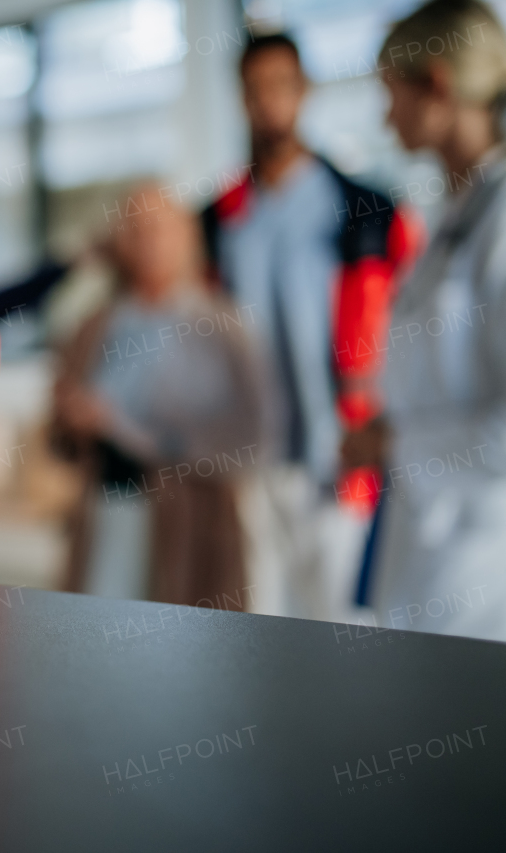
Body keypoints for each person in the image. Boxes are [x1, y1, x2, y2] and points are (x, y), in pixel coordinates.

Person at [201, 34, 420, 619]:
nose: (267, 102)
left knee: (345, 630)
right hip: (251, 465)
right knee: (258, 625)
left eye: (280, 86)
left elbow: (414, 330)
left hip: (337, 463)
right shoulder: (219, 222)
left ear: (304, 93)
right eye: (253, 90)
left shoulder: (366, 210)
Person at [351, 0, 506, 641]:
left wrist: (399, 445)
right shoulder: (457, 214)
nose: (387, 119)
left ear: (437, 84)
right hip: (431, 538)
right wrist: (394, 425)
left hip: (481, 557)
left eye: (392, 94)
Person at [53, 187, 261, 608]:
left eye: (159, 228)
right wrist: (75, 420)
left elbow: (246, 438)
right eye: (134, 229)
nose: (147, 241)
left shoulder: (220, 326)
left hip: (189, 520)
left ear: (186, 235)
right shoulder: (96, 325)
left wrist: (125, 428)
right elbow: (57, 437)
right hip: (110, 508)